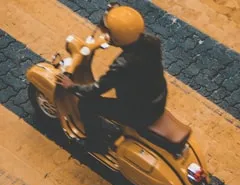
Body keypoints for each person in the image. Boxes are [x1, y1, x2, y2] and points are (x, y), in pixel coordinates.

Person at [56, 3, 168, 153]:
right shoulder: (152, 43)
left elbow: (96, 89)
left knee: (86, 104)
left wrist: (71, 86)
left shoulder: (123, 65)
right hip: (156, 99)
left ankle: (95, 145)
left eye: (110, 32)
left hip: (139, 112)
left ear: (118, 37)